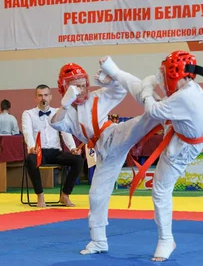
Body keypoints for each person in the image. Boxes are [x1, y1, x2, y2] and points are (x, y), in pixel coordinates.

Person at [99, 53, 203, 261]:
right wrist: (147, 86)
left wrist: (149, 87)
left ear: (174, 74)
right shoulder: (189, 88)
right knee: (143, 94)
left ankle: (166, 239)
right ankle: (115, 71)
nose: (161, 78)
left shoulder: (184, 97)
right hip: (180, 129)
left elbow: (152, 109)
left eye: (163, 74)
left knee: (160, 191)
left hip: (182, 147)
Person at [51, 63, 160, 254]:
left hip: (112, 136)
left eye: (83, 84)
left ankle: (164, 111)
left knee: (141, 122)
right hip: (103, 155)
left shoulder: (97, 97)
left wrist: (109, 81)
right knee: (96, 195)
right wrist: (65, 104)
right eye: (74, 86)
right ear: (64, 88)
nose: (80, 89)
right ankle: (99, 242)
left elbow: (119, 91)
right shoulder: (66, 112)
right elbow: (55, 123)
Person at [21, 85, 84, 207]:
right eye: (40, 95)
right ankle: (40, 195)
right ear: (35, 98)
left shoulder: (58, 112)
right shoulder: (28, 114)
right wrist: (32, 146)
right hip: (38, 151)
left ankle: (65, 195)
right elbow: (27, 131)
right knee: (31, 160)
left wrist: (72, 148)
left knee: (78, 160)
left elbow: (65, 132)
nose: (42, 98)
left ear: (50, 97)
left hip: (56, 152)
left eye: (45, 95)